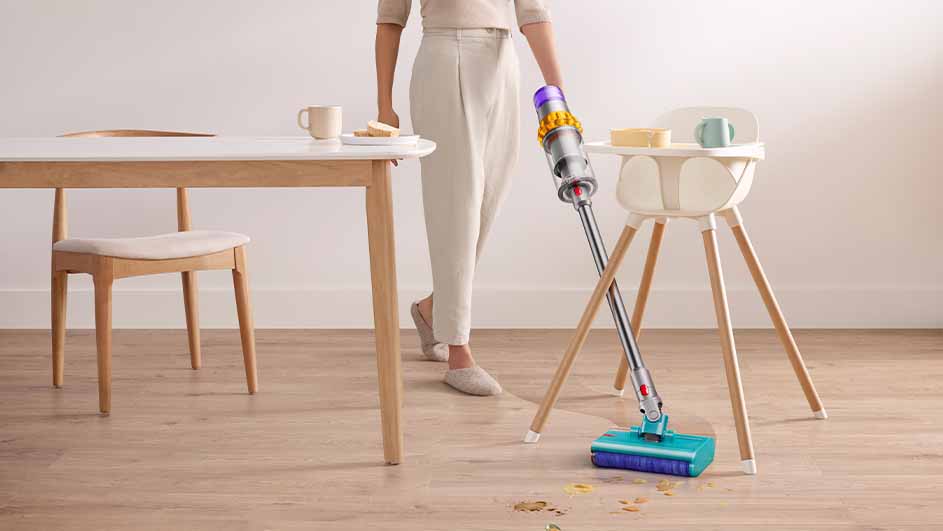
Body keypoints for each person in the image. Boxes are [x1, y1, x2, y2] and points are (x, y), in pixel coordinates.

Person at [375, 0, 563, 395]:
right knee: (456, 204)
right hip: (445, 59)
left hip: (503, 62)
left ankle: (432, 310)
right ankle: (459, 351)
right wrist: (384, 107)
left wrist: (558, 98)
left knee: (487, 200)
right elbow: (390, 21)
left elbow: (534, 14)